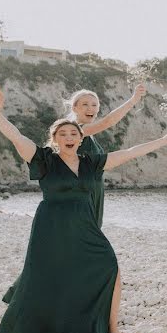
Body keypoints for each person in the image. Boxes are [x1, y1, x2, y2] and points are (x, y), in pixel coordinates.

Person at [0, 85, 167, 333]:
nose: (69, 137)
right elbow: (16, 136)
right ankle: (34, 331)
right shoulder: (44, 160)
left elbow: (130, 152)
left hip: (85, 223)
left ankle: (111, 329)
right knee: (43, 278)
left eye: (73, 134)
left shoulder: (91, 163)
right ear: (54, 139)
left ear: (82, 138)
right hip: (51, 227)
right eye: (62, 134)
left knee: (110, 267)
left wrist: (163, 141)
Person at [66, 84, 146, 226]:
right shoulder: (75, 130)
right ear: (74, 108)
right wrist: (133, 100)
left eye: (94, 105)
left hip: (94, 190)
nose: (90, 108)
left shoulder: (88, 135)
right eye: (85, 104)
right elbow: (108, 121)